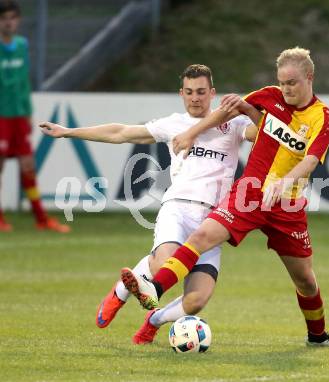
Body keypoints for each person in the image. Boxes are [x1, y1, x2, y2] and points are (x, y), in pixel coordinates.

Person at [121, 47, 329, 347]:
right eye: (282, 82)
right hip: (249, 193)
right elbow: (226, 112)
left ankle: (318, 336)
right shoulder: (269, 96)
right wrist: (194, 132)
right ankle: (154, 290)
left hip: (287, 204)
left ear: (309, 78)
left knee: (306, 280)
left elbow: (311, 160)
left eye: (292, 83)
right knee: (202, 236)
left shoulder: (321, 117)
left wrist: (284, 182)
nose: (285, 89)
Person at [40, 64, 259, 344]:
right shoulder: (173, 124)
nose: (195, 98)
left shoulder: (234, 125)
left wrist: (249, 109)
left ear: (212, 93)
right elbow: (121, 133)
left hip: (214, 220)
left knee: (196, 301)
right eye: (190, 92)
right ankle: (122, 290)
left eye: (202, 92)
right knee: (165, 266)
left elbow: (265, 132)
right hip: (178, 208)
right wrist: (68, 131)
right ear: (181, 94)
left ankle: (153, 320)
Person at [0, 0, 69, 232]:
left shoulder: (21, 45)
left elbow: (23, 81)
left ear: (17, 20)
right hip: (1, 116)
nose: (8, 22)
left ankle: (41, 219)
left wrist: (28, 112)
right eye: (4, 18)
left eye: (12, 18)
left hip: (20, 116)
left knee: (28, 165)